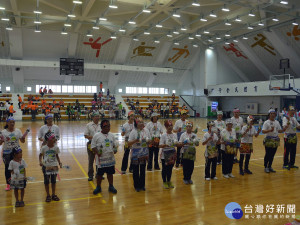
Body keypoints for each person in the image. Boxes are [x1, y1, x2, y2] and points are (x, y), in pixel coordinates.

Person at [91, 120, 118, 194]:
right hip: (101, 159)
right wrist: (97, 152)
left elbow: (115, 145)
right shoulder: (96, 136)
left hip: (110, 158)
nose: (108, 128)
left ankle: (111, 186)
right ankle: (98, 187)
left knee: (110, 173)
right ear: (102, 127)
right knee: (99, 174)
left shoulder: (111, 135)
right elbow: (93, 146)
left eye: (109, 126)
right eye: (106, 127)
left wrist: (115, 149)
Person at [0, 117, 26, 191]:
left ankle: (17, 181)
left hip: (16, 152)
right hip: (7, 152)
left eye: (13, 122)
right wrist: (1, 140)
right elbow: (0, 143)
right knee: (8, 168)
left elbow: (22, 141)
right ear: (7, 123)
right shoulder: (3, 132)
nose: (12, 123)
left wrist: (23, 139)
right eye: (10, 122)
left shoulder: (18, 131)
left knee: (18, 166)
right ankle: (8, 184)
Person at [128, 117, 151, 192]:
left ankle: (142, 185)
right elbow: (128, 143)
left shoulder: (146, 130)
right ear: (136, 124)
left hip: (144, 153)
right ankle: (136, 186)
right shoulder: (133, 132)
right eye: (139, 122)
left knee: (142, 169)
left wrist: (148, 141)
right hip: (135, 153)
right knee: (135, 170)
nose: (141, 124)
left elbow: (150, 141)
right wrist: (136, 140)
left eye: (142, 122)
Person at [39, 131, 62, 202]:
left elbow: (57, 156)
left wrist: (59, 162)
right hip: (46, 167)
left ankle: (53, 194)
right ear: (48, 140)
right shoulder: (44, 148)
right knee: (46, 182)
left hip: (54, 166)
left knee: (53, 181)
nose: (55, 139)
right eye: (53, 138)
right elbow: (40, 155)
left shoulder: (56, 148)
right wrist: (40, 162)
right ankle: (48, 195)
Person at [262, 109, 286, 173]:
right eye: (271, 113)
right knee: (268, 153)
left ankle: (270, 166)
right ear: (269, 115)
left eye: (274, 113)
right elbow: (263, 131)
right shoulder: (266, 122)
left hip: (275, 140)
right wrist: (269, 130)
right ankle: (266, 166)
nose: (273, 115)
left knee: (272, 154)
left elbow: (279, 130)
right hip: (268, 140)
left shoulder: (277, 122)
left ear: (275, 115)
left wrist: (284, 129)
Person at [159, 120, 178, 189]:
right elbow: (160, 145)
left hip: (172, 153)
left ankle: (169, 181)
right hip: (165, 154)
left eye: (171, 126)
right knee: (165, 169)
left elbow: (176, 143)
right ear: (166, 127)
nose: (170, 127)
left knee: (170, 168)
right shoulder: (163, 135)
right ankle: (164, 182)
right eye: (168, 126)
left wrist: (176, 143)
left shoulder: (174, 135)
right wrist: (165, 145)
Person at [84, 112, 101, 181]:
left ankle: (99, 174)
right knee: (91, 160)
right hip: (91, 144)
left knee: (99, 160)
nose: (97, 117)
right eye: (96, 116)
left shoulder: (101, 125)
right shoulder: (88, 125)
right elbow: (86, 135)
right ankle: (90, 175)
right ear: (93, 117)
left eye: (98, 116)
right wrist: (94, 137)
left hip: (99, 145)